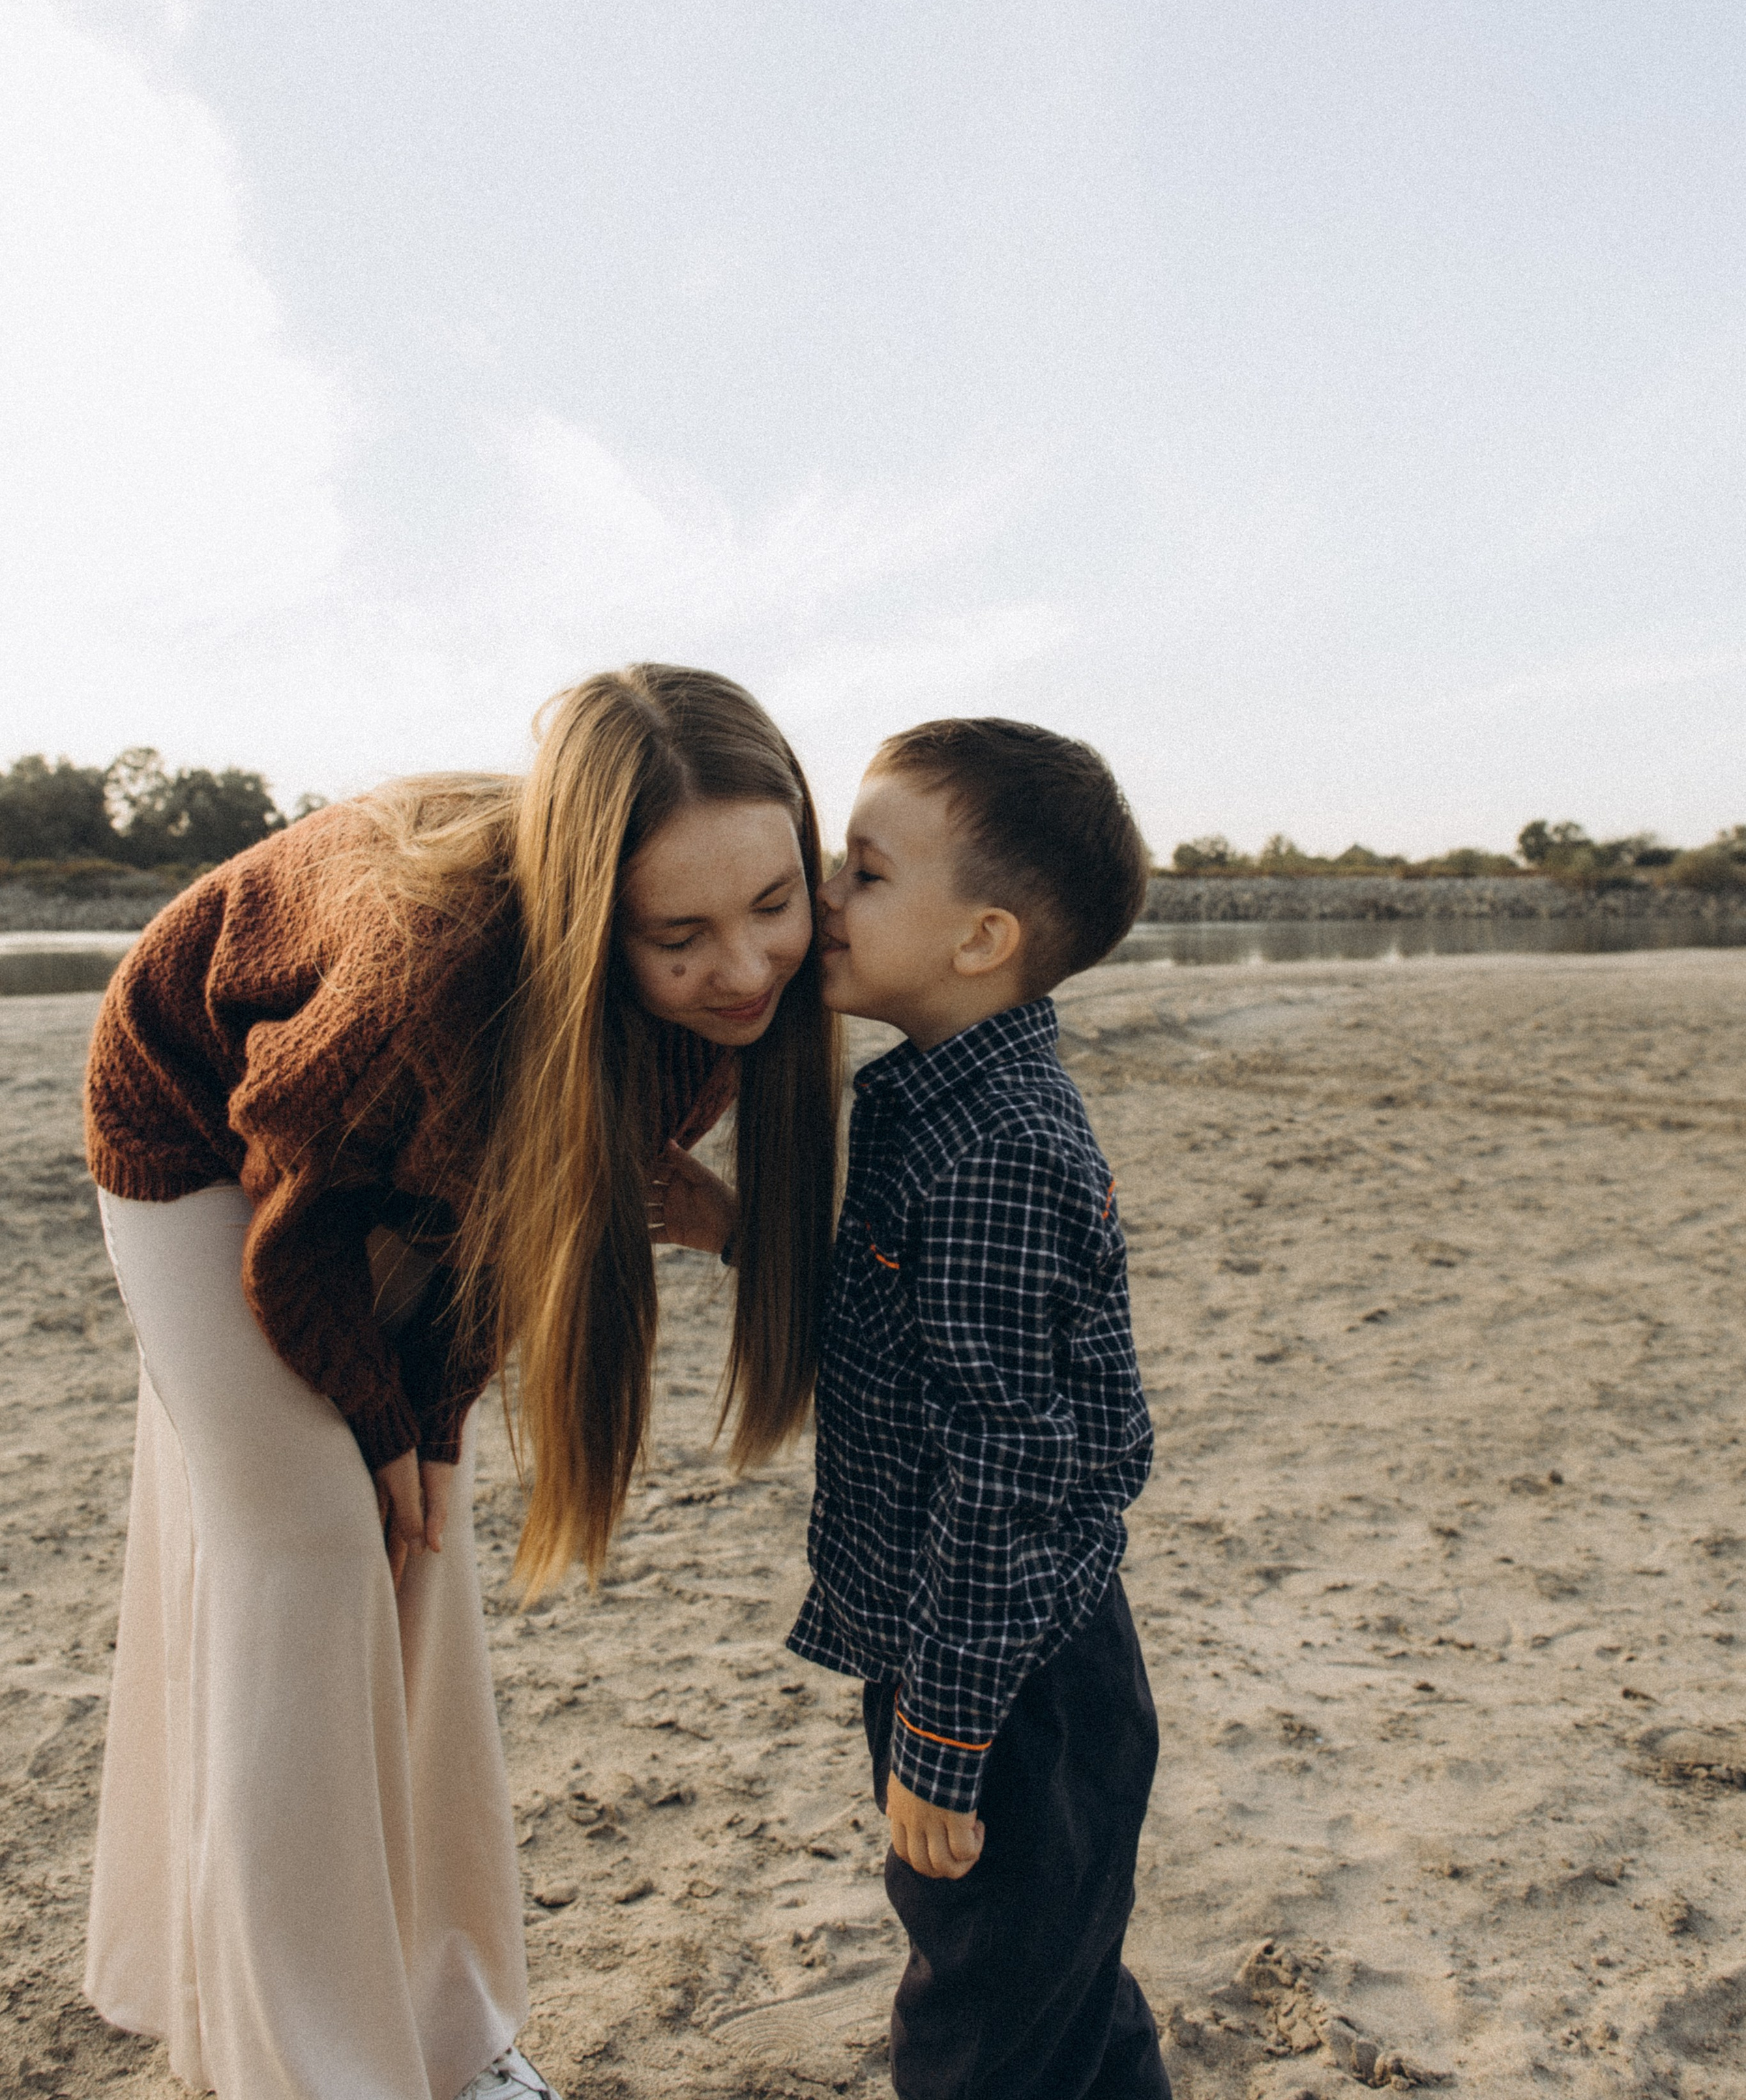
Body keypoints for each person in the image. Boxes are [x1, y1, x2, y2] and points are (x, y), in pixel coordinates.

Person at [82, 665, 840, 2100]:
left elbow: (502, 1212)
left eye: (772, 907)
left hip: (397, 1158)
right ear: (583, 912)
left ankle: (444, 2030)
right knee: (304, 1554)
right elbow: (299, 1232)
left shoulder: (714, 1005)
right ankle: (313, 2070)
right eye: (676, 936)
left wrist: (428, 1426)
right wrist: (381, 1416)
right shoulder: (424, 980)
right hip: (202, 1128)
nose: (741, 969)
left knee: (417, 1553)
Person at [787, 717, 1168, 2100]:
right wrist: (730, 1230)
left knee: (985, 2031)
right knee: (1060, 1994)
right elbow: (918, 1340)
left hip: (1007, 1681)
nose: (822, 896)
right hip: (992, 1643)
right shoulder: (947, 1108)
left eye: (866, 873)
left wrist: (942, 1747)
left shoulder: (999, 1148)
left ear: (981, 939)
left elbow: (1003, 1475)